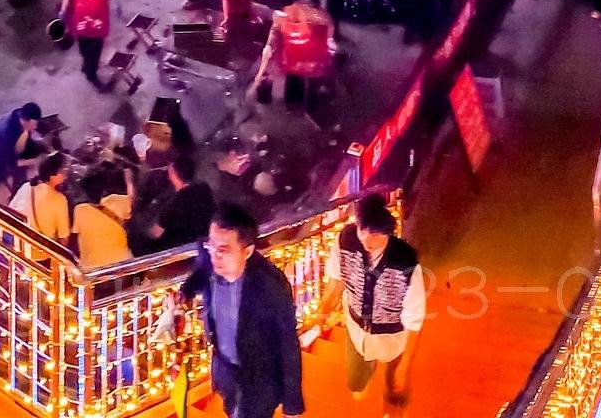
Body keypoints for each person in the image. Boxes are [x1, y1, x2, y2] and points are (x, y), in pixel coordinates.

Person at [183, 204, 305, 418]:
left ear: (247, 251)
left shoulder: (270, 287)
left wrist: (292, 405)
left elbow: (287, 344)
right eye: (211, 246)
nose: (215, 256)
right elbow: (200, 273)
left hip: (259, 380)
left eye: (223, 250)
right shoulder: (210, 261)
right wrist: (184, 294)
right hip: (226, 373)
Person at [324, 195, 426, 410]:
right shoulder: (346, 240)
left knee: (395, 388)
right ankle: (369, 372)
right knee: (356, 386)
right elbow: (336, 277)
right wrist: (323, 309)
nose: (367, 240)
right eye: (363, 230)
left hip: (392, 338)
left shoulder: (405, 261)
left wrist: (404, 367)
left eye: (376, 234)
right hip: (356, 330)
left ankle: (392, 406)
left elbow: (414, 321)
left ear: (388, 232)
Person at [252, 0, 335, 106]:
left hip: (307, 59)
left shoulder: (318, 20)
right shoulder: (284, 17)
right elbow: (275, 30)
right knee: (299, 81)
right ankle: (299, 103)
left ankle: (307, 103)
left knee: (309, 82)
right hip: (296, 60)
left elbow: (328, 30)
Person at [73, 163, 137, 271]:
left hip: (91, 269)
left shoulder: (79, 210)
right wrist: (129, 179)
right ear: (104, 189)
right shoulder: (116, 201)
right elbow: (133, 199)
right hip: (121, 263)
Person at [154, 152, 217, 251]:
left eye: (169, 172)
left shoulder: (174, 204)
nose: (168, 176)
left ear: (174, 175)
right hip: (207, 244)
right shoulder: (204, 189)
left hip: (182, 251)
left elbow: (155, 233)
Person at [0, 102, 43, 197]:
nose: (36, 127)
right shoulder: (5, 134)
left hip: (12, 147)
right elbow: (11, 162)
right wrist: (32, 162)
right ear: (26, 121)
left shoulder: (20, 115)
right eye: (34, 124)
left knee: (39, 147)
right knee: (21, 176)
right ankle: (15, 195)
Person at [12, 152, 73, 243]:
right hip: (38, 249)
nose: (66, 175)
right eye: (64, 170)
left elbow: (11, 210)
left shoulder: (26, 187)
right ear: (55, 174)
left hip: (17, 243)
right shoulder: (60, 200)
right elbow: (63, 237)